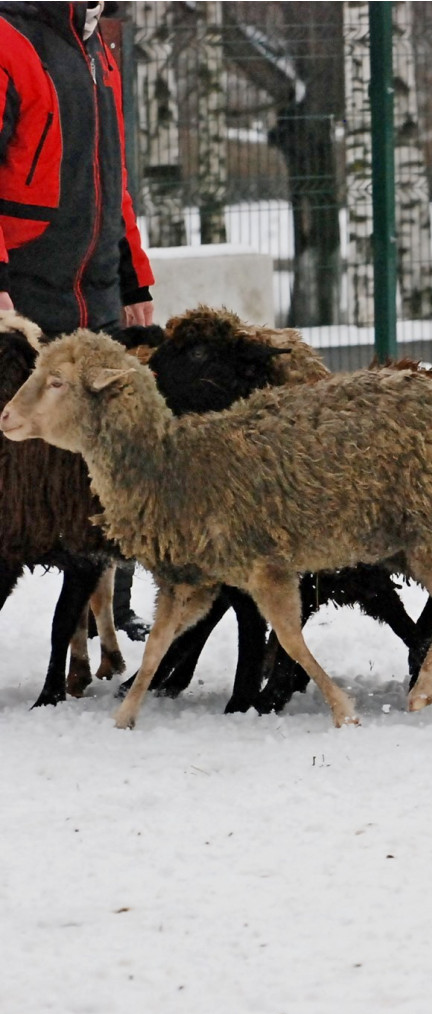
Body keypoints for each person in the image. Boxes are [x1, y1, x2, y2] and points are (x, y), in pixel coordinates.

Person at [1, 0, 156, 637]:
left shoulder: (96, 47)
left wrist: (133, 277)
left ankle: (107, 614)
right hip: (22, 289)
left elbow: (111, 180)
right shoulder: (8, 40)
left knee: (104, 451)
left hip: (95, 292)